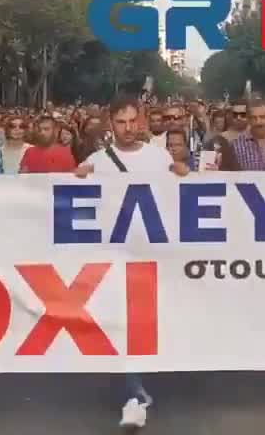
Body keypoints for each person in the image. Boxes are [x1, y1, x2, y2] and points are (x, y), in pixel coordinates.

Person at [74, 97, 187, 429]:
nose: (126, 128)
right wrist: (75, 180)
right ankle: (134, 395)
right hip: (113, 255)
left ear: (141, 122)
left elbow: (175, 198)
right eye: (119, 122)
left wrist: (184, 175)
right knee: (122, 323)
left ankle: (136, 389)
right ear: (111, 123)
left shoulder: (158, 157)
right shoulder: (98, 161)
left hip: (150, 254)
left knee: (142, 322)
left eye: (131, 121)